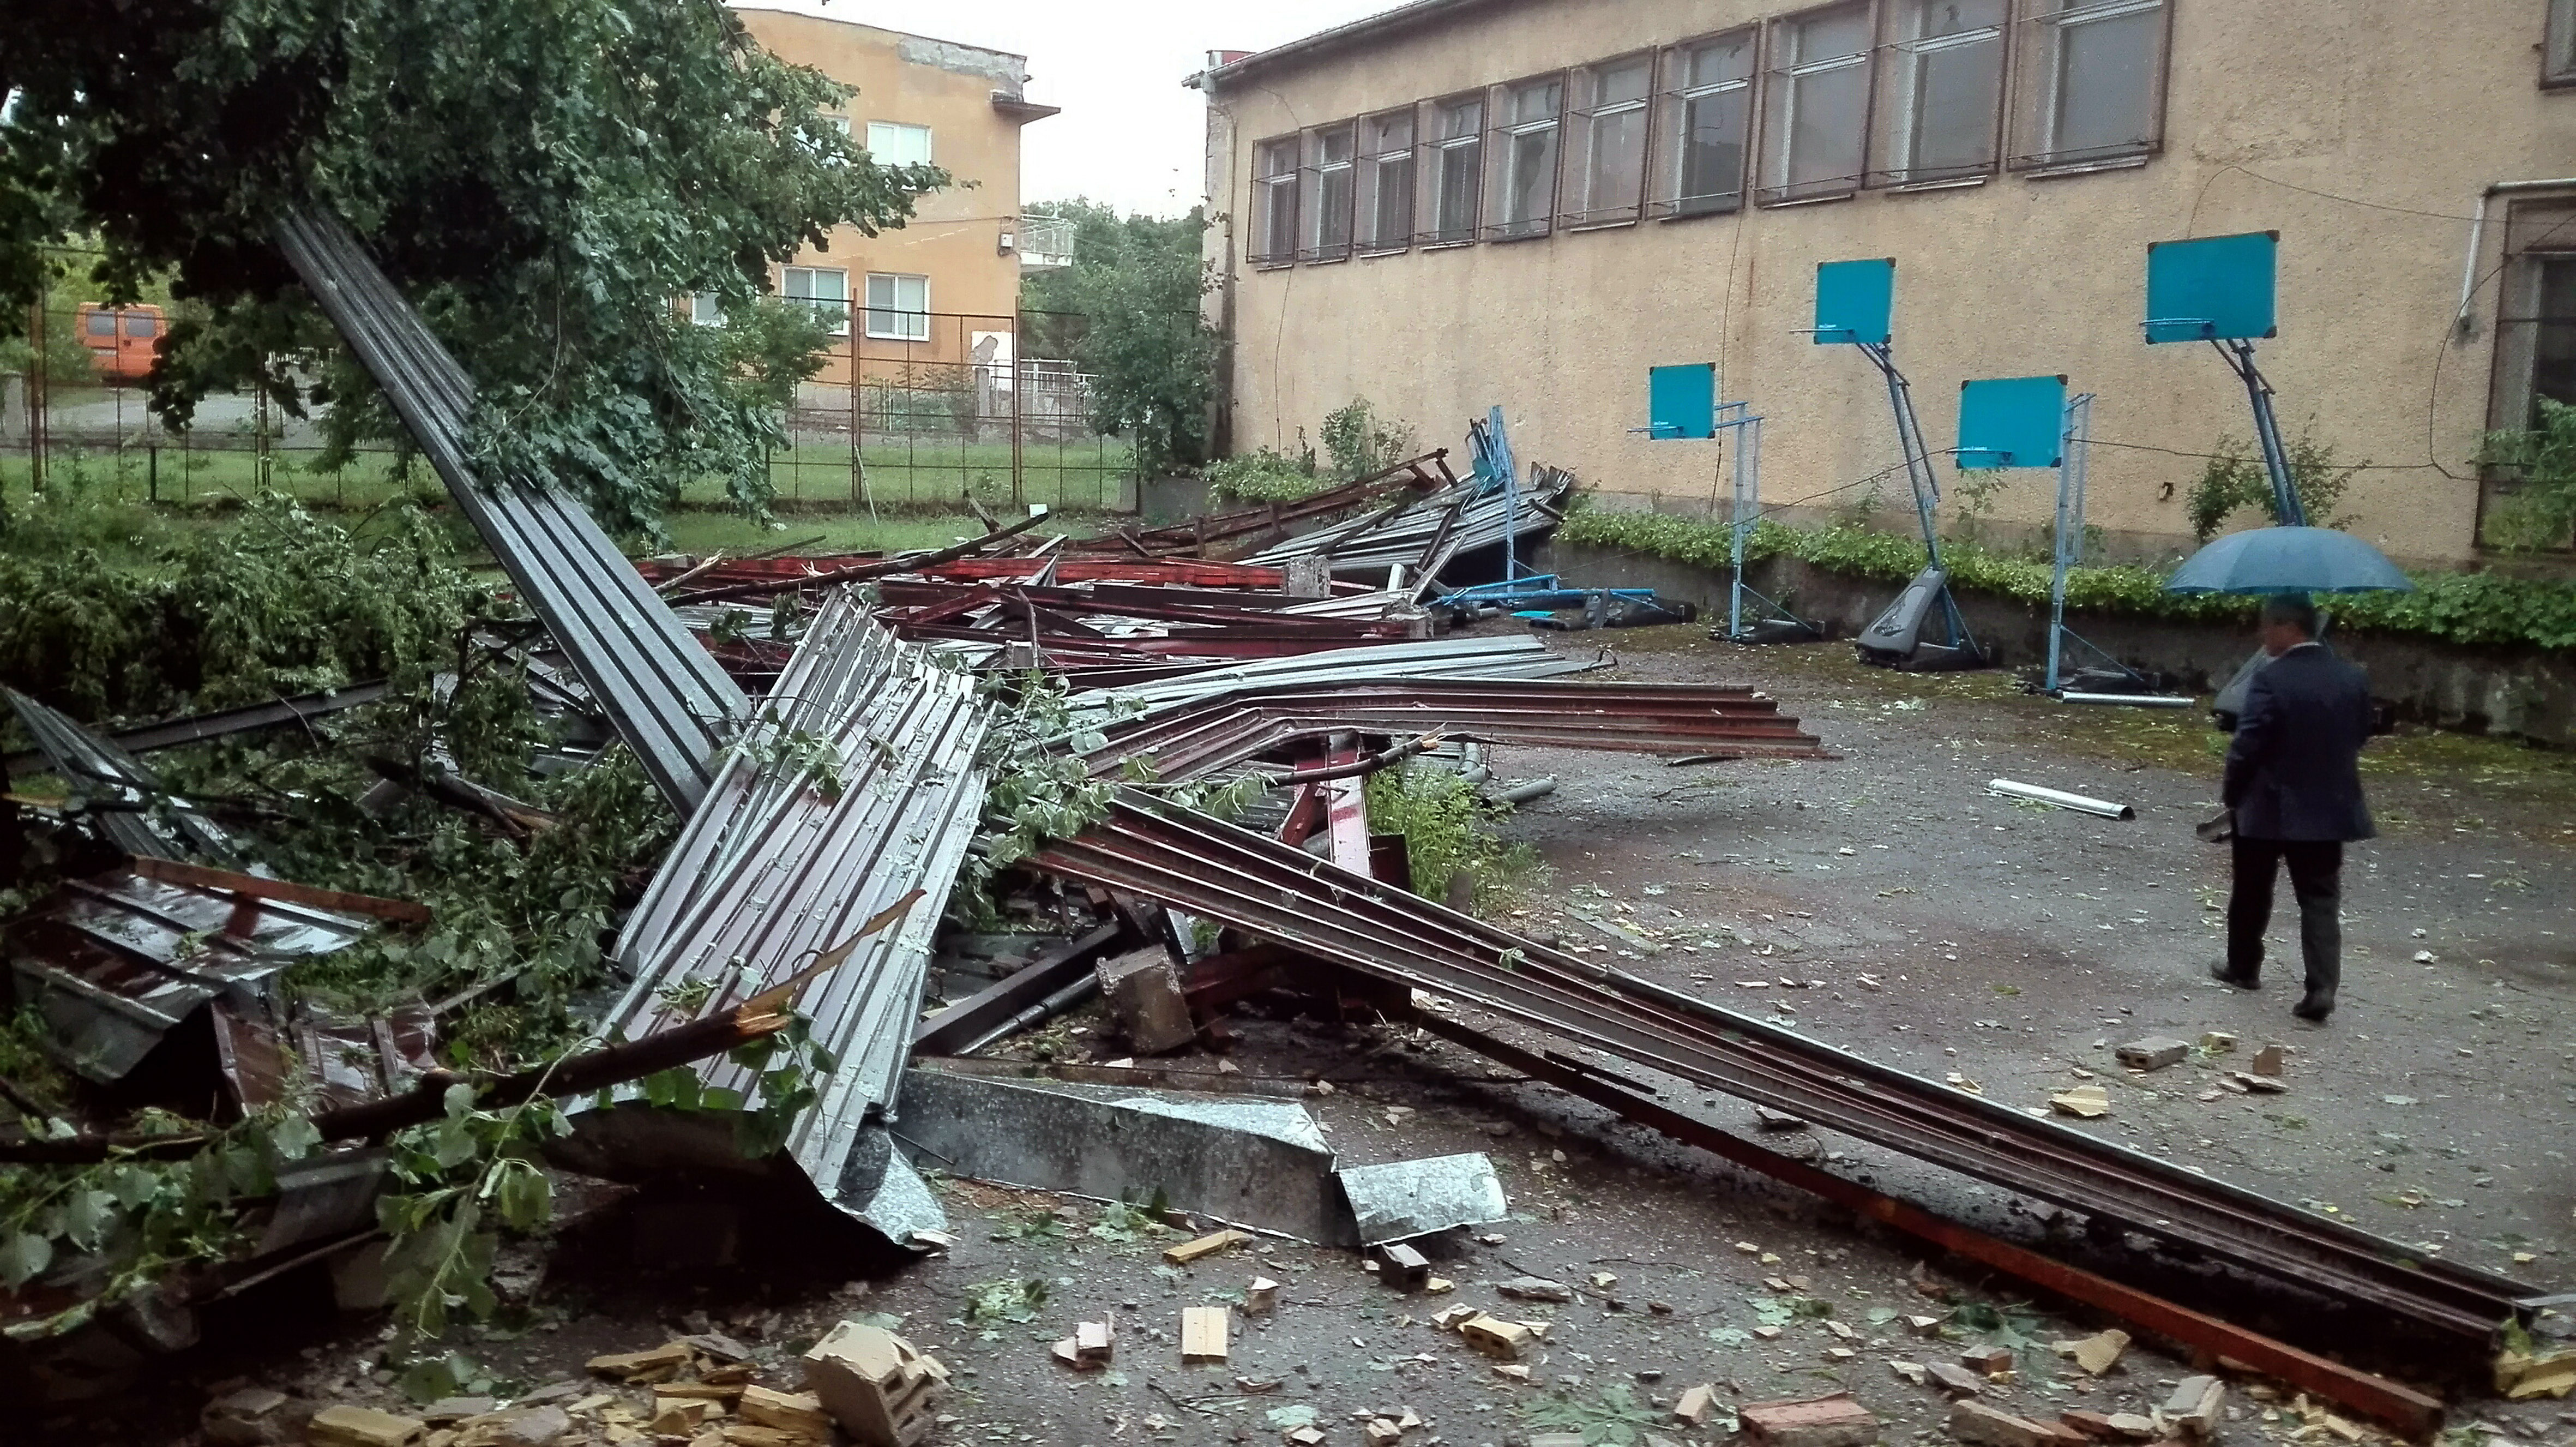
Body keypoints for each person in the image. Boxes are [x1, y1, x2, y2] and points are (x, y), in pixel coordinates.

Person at [2212, 593, 2377, 1022]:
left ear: (2290, 628)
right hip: (2328, 807)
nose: (2262, 635)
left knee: (2251, 891)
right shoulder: (2351, 678)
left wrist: (2232, 794)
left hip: (2267, 805)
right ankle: (2322, 986)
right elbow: (2360, 733)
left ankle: (2244, 967)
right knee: (2321, 897)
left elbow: (2247, 746)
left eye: (2267, 627)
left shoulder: (2272, 679)